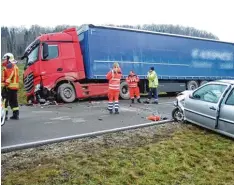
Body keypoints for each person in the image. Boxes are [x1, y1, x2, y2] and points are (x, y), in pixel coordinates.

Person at [3, 53, 20, 120]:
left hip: (9, 87)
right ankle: (16, 115)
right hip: (14, 87)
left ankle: (4, 116)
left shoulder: (10, 66)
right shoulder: (15, 66)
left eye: (6, 59)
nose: (5, 60)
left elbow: (10, 76)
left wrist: (5, 85)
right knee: (13, 101)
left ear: (8, 58)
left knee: (5, 101)